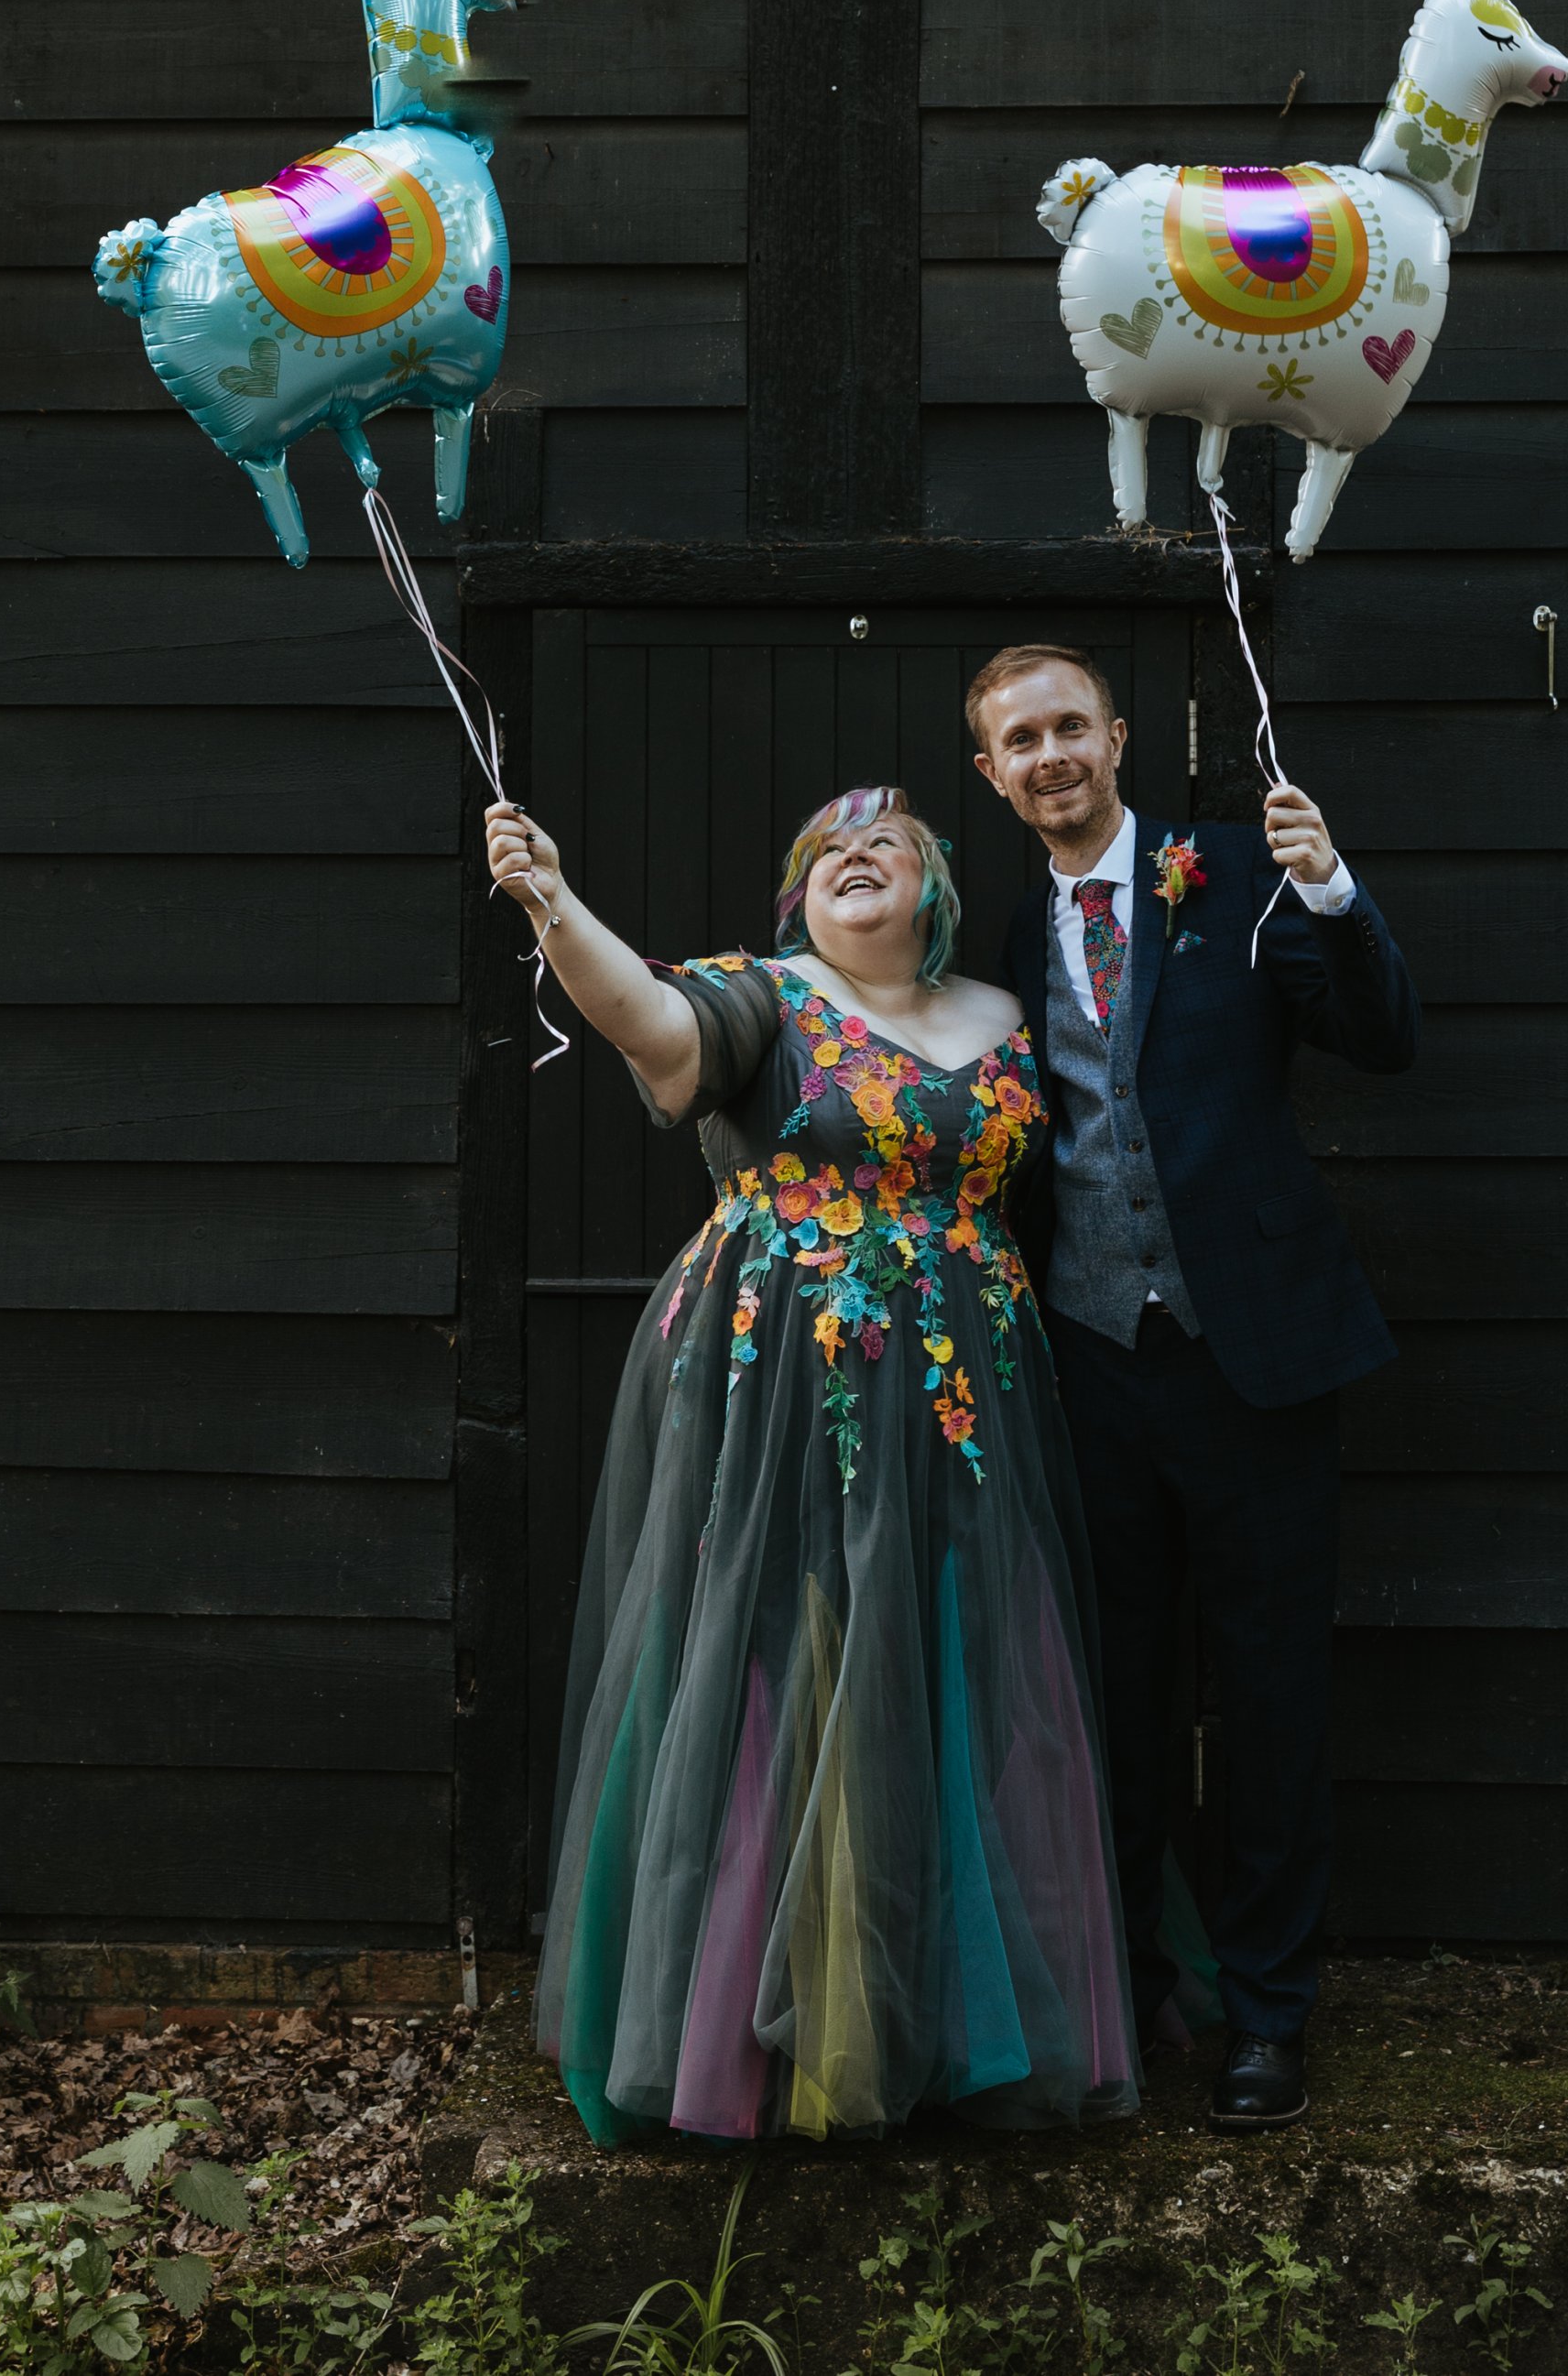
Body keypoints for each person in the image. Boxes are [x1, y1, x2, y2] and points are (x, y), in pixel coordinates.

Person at [485, 783, 1139, 2145]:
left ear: (935, 889)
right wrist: (553, 901)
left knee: (952, 1659)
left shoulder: (1005, 1016)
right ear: (797, 895)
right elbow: (644, 1024)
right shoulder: (757, 998)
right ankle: (750, 2031)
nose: (852, 854)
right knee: (784, 1646)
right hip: (783, 1376)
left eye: (883, 840)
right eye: (824, 848)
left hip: (971, 1389)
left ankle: (953, 2025)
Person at [971, 643, 1420, 2133]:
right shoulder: (982, 940)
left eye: (1067, 728)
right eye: (1018, 740)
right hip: (1085, 1360)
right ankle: (1132, 1992)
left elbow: (1378, 1037)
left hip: (1261, 1358)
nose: (1049, 756)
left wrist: (1337, 891)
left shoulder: (1234, 869)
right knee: (1114, 1696)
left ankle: (1267, 2016)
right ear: (993, 772)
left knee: (1273, 1691)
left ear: (1114, 739)